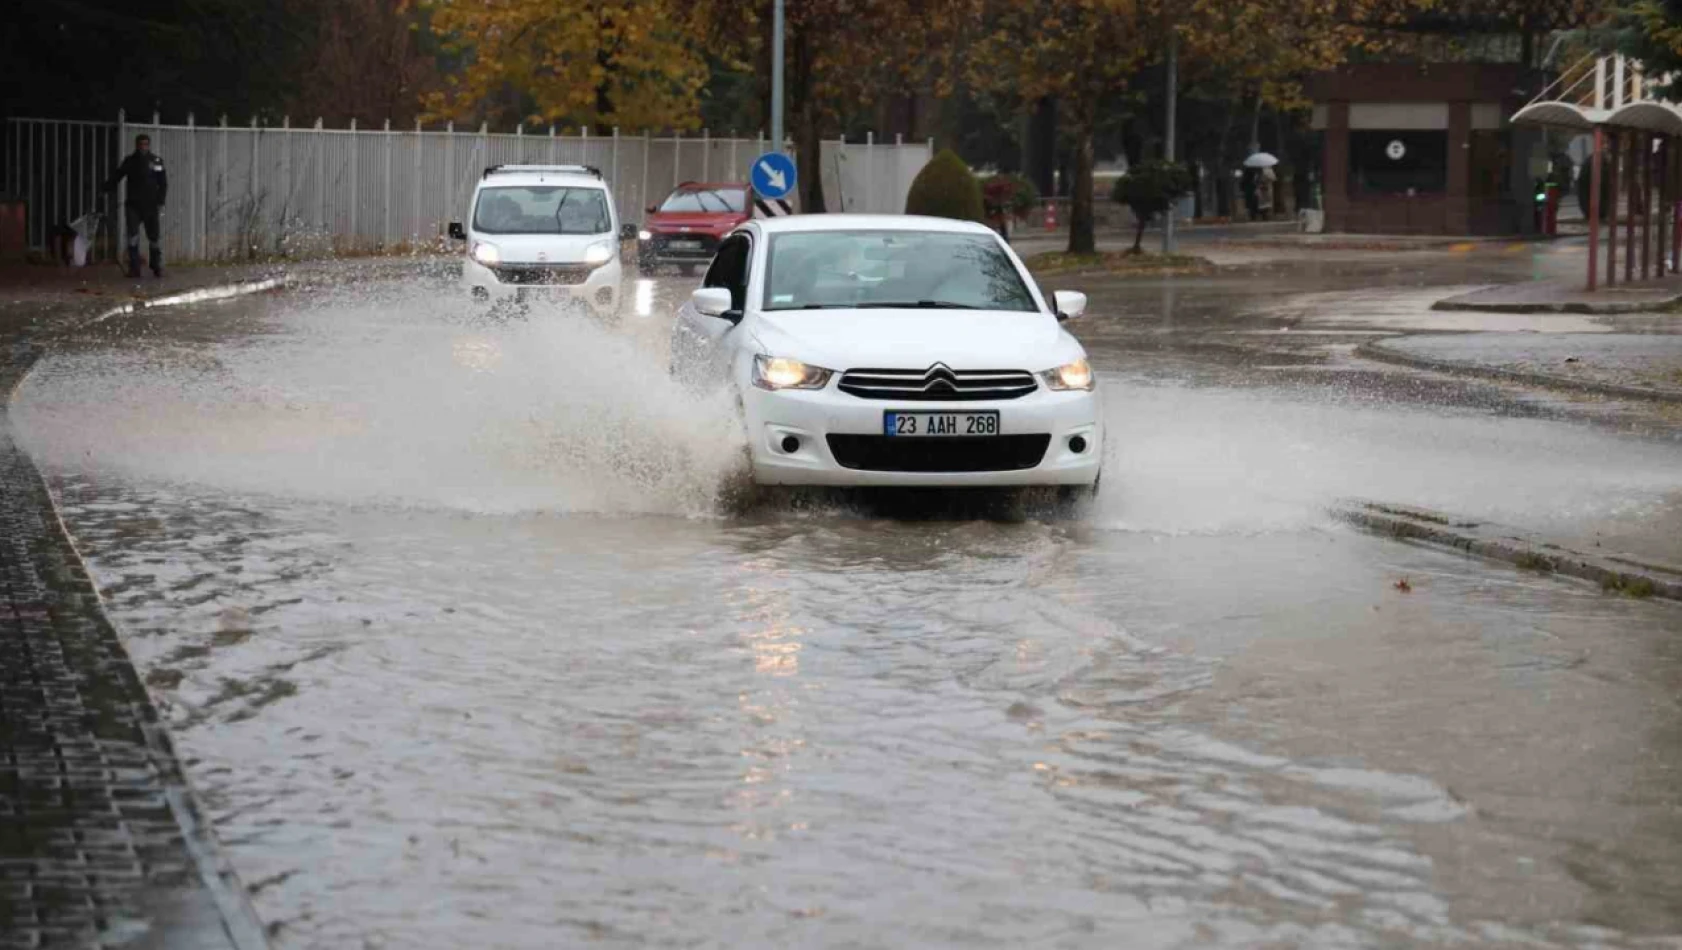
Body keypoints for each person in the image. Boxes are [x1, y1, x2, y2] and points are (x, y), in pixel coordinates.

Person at [103, 134, 168, 278]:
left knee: (154, 237)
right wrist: (106, 188)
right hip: (133, 205)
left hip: (151, 205)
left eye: (145, 144)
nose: (143, 147)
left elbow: (162, 183)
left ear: (149, 145)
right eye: (140, 144)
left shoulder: (156, 161)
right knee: (133, 236)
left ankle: (156, 265)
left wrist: (160, 201)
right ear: (136, 145)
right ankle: (134, 268)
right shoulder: (130, 161)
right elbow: (118, 176)